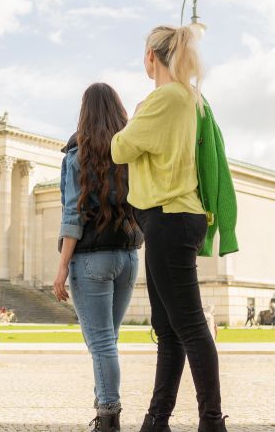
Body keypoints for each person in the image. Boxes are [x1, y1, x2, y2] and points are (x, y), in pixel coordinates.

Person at [111, 25, 230, 432]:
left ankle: (211, 422)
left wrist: (139, 111)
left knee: (189, 327)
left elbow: (119, 148)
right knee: (170, 329)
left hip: (168, 216)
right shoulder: (188, 97)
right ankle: (157, 419)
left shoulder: (163, 100)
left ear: (151, 57)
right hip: (174, 218)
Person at [53, 83, 143, 432]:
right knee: (108, 340)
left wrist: (61, 267)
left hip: (91, 259)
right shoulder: (130, 150)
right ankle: (103, 410)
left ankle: (108, 418)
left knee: (101, 342)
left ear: (84, 112)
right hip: (127, 258)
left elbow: (72, 217)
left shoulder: (77, 157)